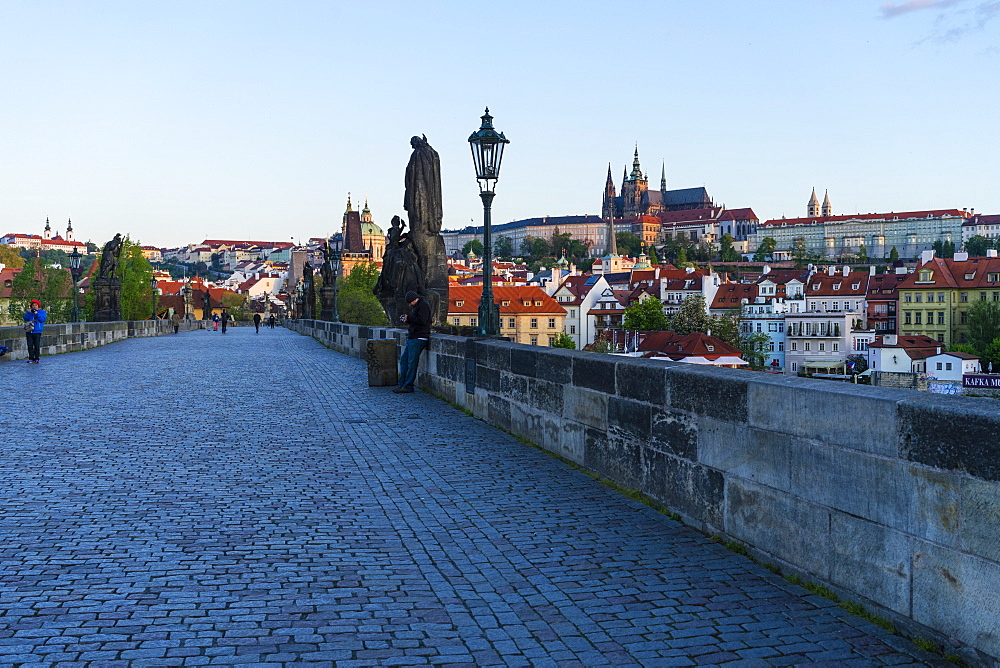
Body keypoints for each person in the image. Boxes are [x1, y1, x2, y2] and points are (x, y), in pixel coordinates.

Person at [394, 291, 431, 394]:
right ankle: (403, 384)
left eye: (410, 303)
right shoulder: (418, 305)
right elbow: (417, 320)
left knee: (411, 363)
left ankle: (408, 386)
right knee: (404, 361)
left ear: (415, 299)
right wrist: (408, 319)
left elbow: (422, 321)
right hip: (414, 337)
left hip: (419, 338)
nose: (410, 305)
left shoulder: (423, 305)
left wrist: (409, 318)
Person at [23, 299, 47, 363]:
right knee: (30, 345)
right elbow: (25, 318)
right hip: (29, 330)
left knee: (36, 345)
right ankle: (31, 358)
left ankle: (37, 358)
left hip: (37, 331)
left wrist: (36, 313)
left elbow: (42, 320)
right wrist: (28, 313)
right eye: (33, 305)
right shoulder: (29, 312)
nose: (34, 306)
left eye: (35, 305)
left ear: (38, 306)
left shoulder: (42, 312)